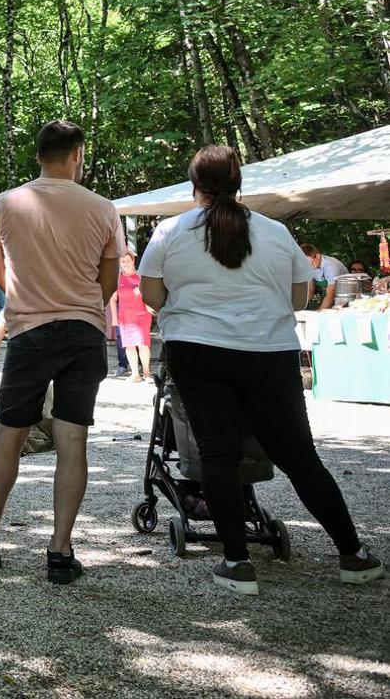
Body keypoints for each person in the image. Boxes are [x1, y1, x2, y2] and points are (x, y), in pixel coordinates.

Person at [138, 145, 382, 595]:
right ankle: (353, 554)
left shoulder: (170, 232)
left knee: (217, 454)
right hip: (269, 353)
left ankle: (236, 561)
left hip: (197, 350)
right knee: (299, 457)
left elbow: (152, 296)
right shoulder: (275, 233)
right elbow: (298, 300)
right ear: (239, 184)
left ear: (195, 189)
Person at [0, 120, 124, 586]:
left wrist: (34, 298)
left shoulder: (6, 203)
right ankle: (60, 551)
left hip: (30, 332)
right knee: (72, 441)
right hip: (84, 331)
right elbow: (109, 283)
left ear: (38, 155)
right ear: (77, 155)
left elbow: (0, 277)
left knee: (10, 433)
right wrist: (79, 298)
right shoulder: (104, 209)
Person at [109, 253, 154, 382]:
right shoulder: (117, 279)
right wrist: (114, 318)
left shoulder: (141, 276)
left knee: (143, 344)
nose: (125, 264)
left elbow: (151, 293)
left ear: (133, 261)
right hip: (125, 317)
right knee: (129, 346)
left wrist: (142, 291)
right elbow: (113, 299)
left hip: (142, 316)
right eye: (122, 262)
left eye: (128, 261)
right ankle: (135, 374)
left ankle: (146, 373)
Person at [299, 243, 347, 310]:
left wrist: (319, 313)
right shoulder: (309, 267)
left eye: (310, 264)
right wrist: (300, 309)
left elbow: (331, 294)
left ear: (318, 256)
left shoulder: (331, 266)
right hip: (328, 297)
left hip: (344, 298)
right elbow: (310, 289)